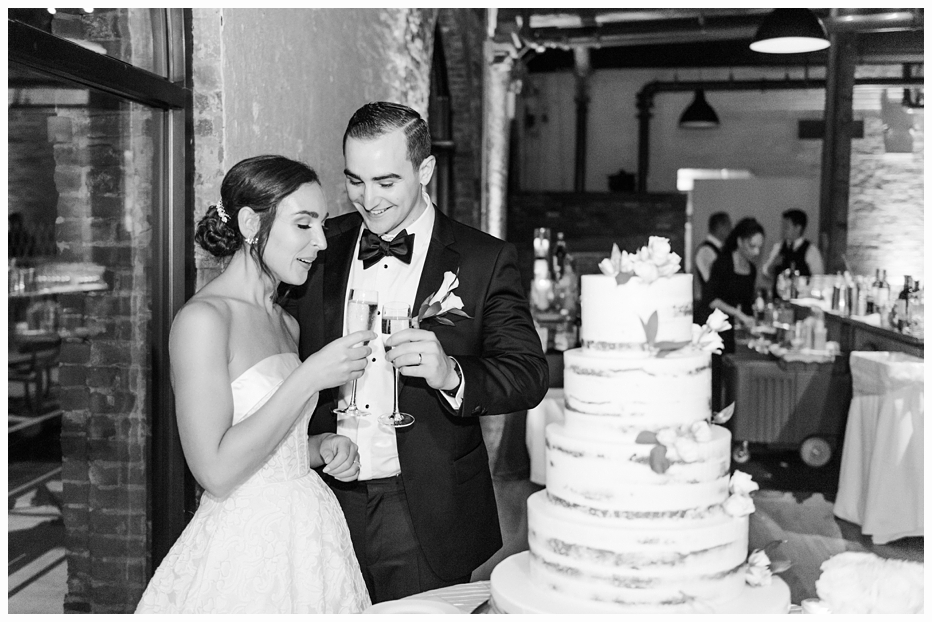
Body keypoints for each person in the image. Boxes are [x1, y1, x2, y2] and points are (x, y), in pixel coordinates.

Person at [282, 102, 549, 603]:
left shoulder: (482, 259)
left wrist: (452, 374)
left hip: (427, 505)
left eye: (385, 182)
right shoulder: (319, 246)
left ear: (424, 169)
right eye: (355, 181)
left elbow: (529, 374)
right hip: (322, 496)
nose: (368, 199)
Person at [136, 155, 373, 613]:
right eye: (304, 225)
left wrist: (320, 447)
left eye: (321, 225)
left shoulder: (285, 321)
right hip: (246, 547)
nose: (321, 242)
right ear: (250, 223)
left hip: (310, 533)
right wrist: (308, 377)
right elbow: (217, 472)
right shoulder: (203, 321)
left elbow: (270, 448)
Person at [700, 217, 765, 411]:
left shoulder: (751, 269)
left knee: (728, 379)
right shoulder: (724, 262)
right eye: (752, 246)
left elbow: (745, 305)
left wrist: (750, 321)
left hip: (729, 331)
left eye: (759, 247)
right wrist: (739, 314)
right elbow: (710, 299)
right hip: (710, 326)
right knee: (712, 380)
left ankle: (724, 421)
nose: (756, 252)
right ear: (740, 241)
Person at [762, 208, 824, 295]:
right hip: (779, 298)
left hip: (801, 300)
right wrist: (773, 264)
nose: (783, 230)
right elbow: (766, 272)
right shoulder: (779, 247)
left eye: (786, 227)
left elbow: (818, 279)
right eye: (783, 226)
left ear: (798, 228)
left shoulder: (811, 251)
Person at [693, 211, 732, 322]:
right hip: (708, 309)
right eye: (728, 226)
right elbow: (711, 281)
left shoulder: (725, 250)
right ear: (720, 227)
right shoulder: (705, 251)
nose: (731, 230)